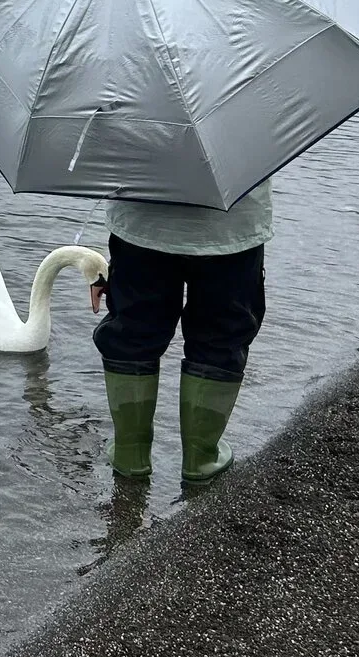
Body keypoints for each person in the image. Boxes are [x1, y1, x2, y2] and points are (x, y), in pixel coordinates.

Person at [87, 180, 272, 483]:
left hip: (141, 215)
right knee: (221, 332)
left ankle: (130, 453)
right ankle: (200, 460)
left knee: (133, 331)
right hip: (233, 220)